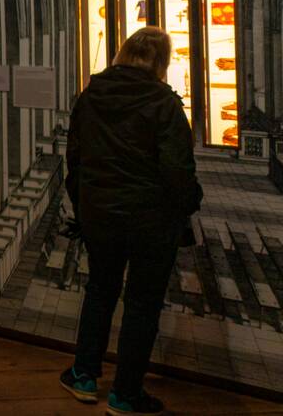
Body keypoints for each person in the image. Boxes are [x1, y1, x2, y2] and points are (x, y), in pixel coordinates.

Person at [60, 26, 202, 415]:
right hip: (150, 221)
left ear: (122, 53)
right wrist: (189, 204)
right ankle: (125, 394)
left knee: (100, 291)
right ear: (161, 61)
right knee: (142, 302)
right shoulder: (164, 104)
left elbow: (75, 161)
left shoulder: (90, 98)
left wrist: (84, 208)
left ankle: (84, 375)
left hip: (101, 216)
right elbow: (177, 169)